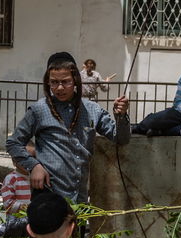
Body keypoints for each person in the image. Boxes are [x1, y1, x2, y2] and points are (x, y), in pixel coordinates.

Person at [7, 51, 130, 204]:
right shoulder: (39, 110)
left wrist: (121, 115)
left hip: (79, 199)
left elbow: (121, 138)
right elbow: (13, 143)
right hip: (47, 197)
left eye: (65, 82)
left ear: (76, 81)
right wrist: (34, 166)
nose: (59, 88)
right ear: (48, 82)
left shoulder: (93, 110)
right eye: (54, 82)